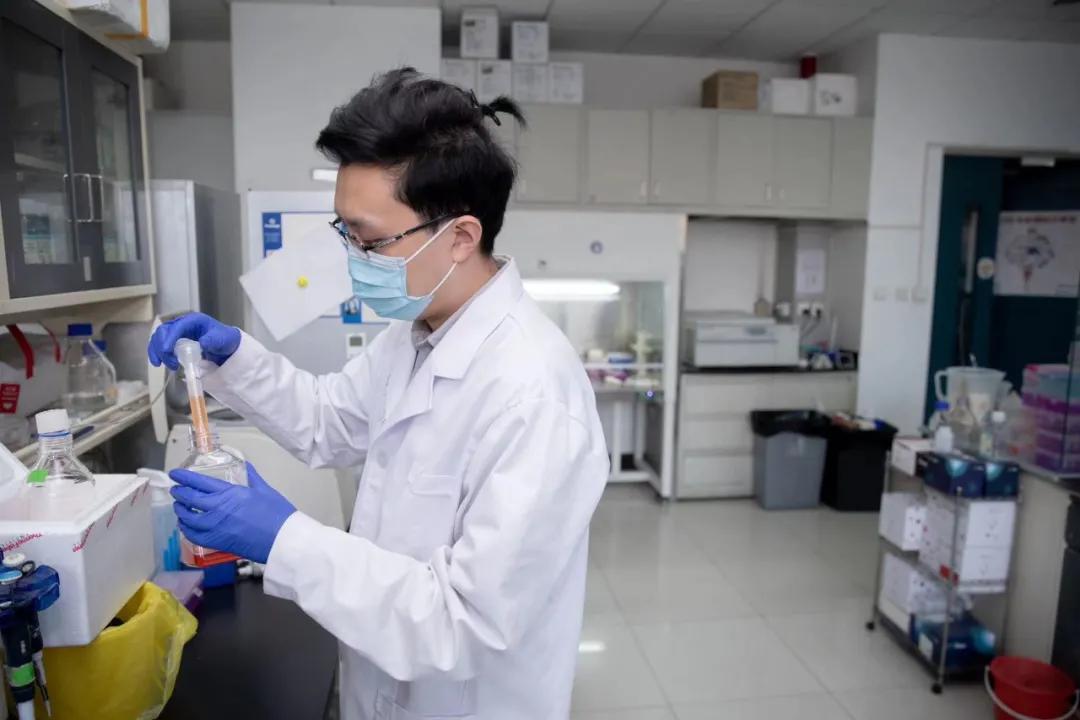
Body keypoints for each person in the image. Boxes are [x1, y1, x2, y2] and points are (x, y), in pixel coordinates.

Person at [148, 68, 609, 720]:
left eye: (370, 239)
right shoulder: (415, 332)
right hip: (380, 686)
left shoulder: (534, 396)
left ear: (460, 237)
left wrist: (285, 540)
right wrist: (236, 360)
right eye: (347, 234)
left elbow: (463, 623)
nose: (354, 257)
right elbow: (327, 422)